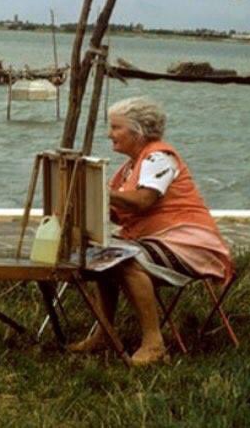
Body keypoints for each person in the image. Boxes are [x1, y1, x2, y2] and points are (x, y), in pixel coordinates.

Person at [69, 96, 233, 366]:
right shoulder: (129, 168)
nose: (109, 134)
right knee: (102, 256)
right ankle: (105, 333)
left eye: (115, 128)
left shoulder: (159, 157)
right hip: (159, 238)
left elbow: (144, 200)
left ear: (138, 131)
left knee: (125, 260)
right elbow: (118, 209)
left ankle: (154, 344)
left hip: (190, 242)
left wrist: (99, 191)